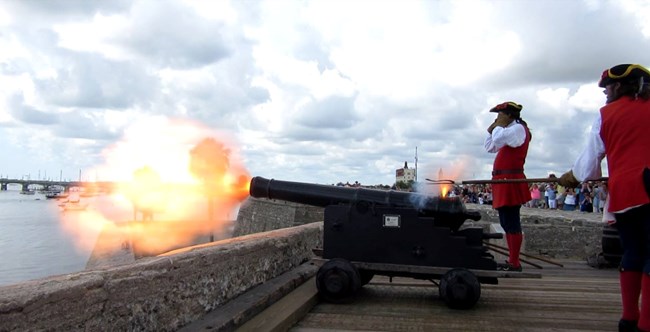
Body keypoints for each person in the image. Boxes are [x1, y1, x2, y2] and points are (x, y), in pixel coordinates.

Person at [557, 64, 650, 332]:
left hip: (625, 193)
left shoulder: (605, 116)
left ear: (620, 86)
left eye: (607, 88)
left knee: (633, 252)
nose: (605, 93)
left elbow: (590, 165)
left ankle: (629, 319)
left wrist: (573, 176)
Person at [484, 101, 532, 272]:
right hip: (502, 180)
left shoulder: (518, 129)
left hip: (510, 179)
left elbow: (498, 138)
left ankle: (514, 262)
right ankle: (513, 259)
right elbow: (490, 146)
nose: (497, 118)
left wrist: (497, 128)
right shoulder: (506, 130)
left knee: (511, 221)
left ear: (509, 115)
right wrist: (491, 130)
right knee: (506, 221)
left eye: (500, 114)